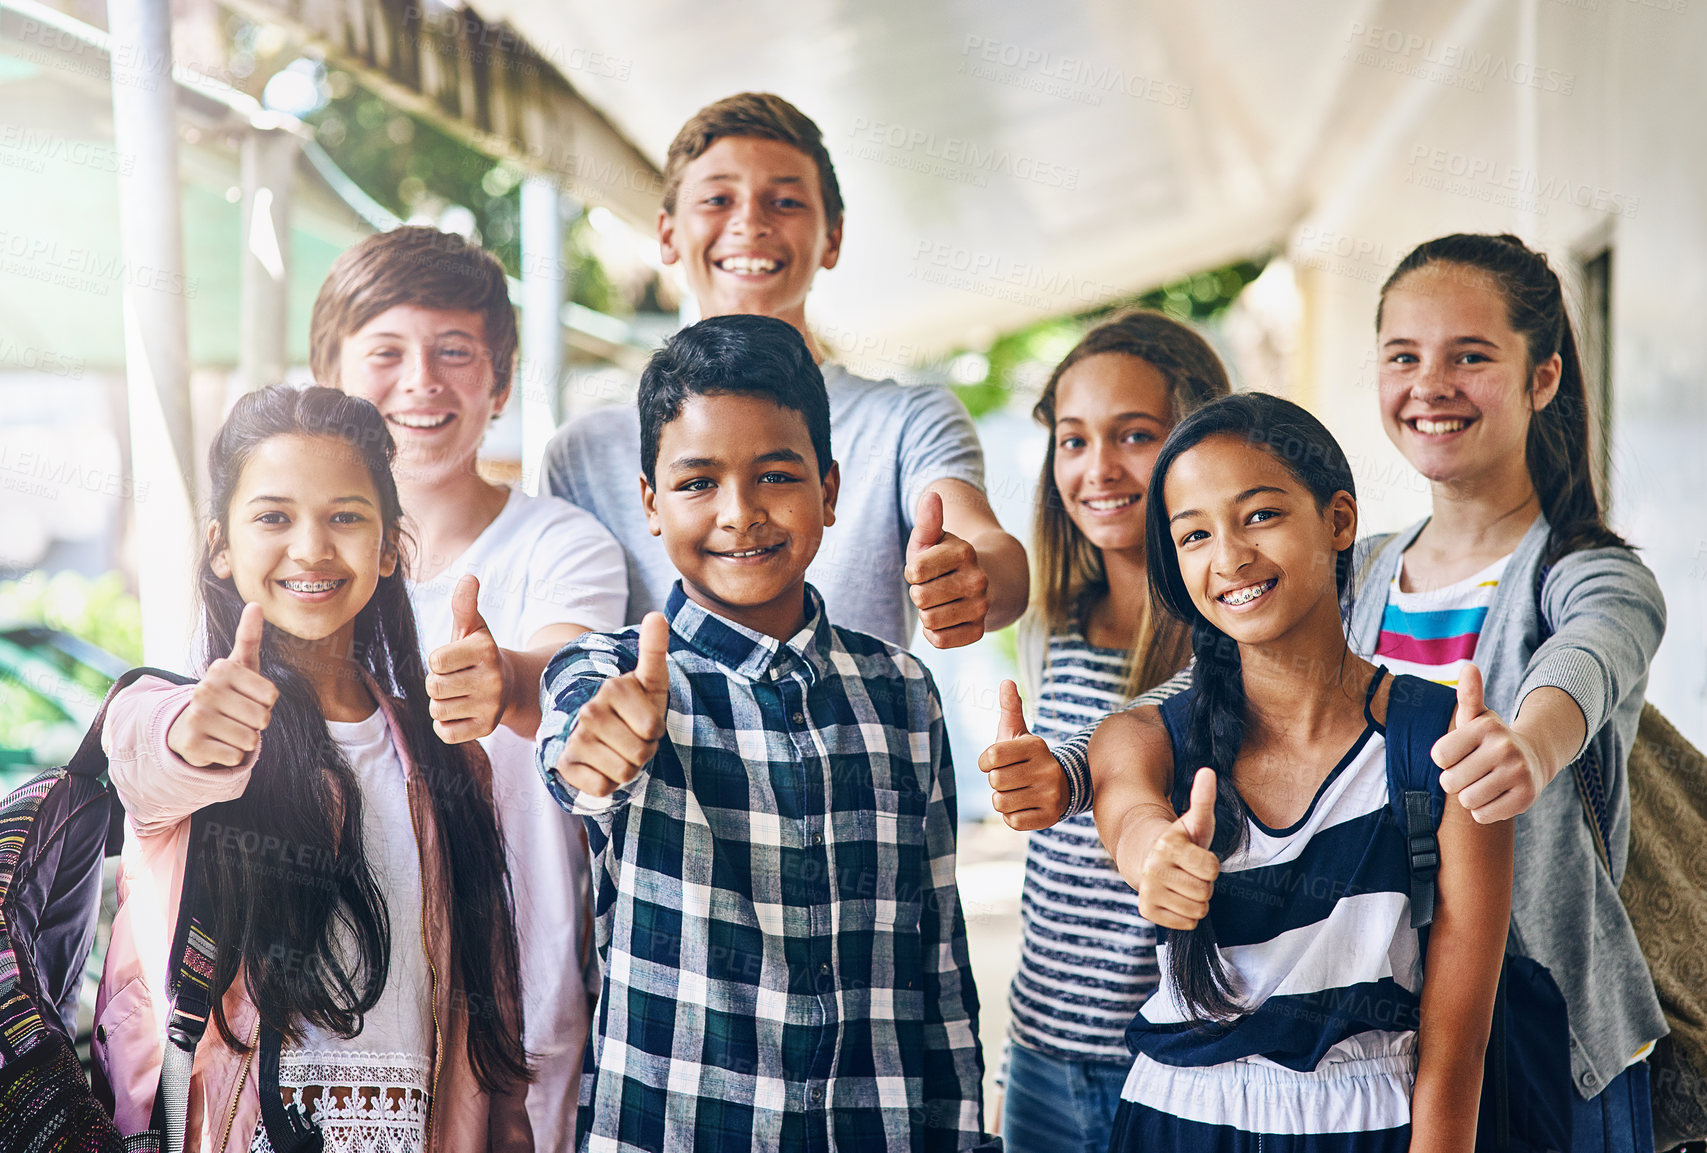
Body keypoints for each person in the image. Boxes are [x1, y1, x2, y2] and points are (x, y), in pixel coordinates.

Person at [537, 315, 996, 1152]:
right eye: (697, 482)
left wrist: (964, 1134)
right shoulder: (611, 672)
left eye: (775, 475)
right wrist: (597, 754)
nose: (740, 514)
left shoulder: (903, 692)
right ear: (648, 501)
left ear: (829, 488)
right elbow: (577, 753)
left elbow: (937, 956)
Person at [95, 386, 531, 1153]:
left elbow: (489, 1036)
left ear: (390, 545)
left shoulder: (447, 754)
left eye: (345, 516)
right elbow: (148, 756)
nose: (311, 548)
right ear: (221, 545)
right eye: (273, 516)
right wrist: (196, 730)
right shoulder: (175, 716)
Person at [1088, 393, 1513, 1151]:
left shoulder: (1442, 742)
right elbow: (1125, 808)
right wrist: (1152, 855)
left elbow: (1455, 1051)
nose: (1229, 557)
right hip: (1171, 1125)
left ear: (1338, 520)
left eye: (1259, 515)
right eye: (1193, 534)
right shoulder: (1146, 736)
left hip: (1367, 1128)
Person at [309, 225, 629, 1152]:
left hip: (516, 1013)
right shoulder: (295, 560)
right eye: (387, 353)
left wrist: (509, 681)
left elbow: (565, 679)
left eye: (455, 352)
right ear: (330, 371)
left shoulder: (561, 546)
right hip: (326, 1019)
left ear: (501, 378)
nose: (422, 382)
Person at [1350, 233, 1665, 1149]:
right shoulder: (1354, 575)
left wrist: (1529, 741)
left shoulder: (1586, 569)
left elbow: (1592, 652)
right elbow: (1211, 690)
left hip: (1543, 1043)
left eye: (1471, 356)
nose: (1430, 384)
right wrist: (1082, 763)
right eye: (1403, 355)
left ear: (1542, 379)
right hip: (1382, 1034)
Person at [541, 91, 1028, 649]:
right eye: (718, 199)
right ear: (668, 234)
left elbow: (988, 547)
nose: (750, 222)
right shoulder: (582, 453)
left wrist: (971, 579)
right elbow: (560, 661)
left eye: (786, 203)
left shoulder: (907, 418)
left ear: (833, 237)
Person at [984, 311, 1228, 1152]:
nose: (1097, 469)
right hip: (1042, 1047)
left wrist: (1066, 769)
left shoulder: (1235, 633)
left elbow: (1127, 753)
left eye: (1133, 435)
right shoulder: (1054, 619)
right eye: (1073, 440)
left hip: (1181, 1056)